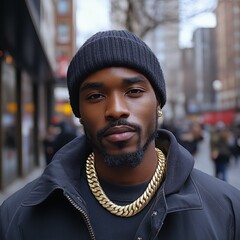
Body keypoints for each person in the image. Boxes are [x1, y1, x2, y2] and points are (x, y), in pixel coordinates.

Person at [0, 30, 240, 240]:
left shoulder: (227, 209)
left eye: (134, 91)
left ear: (158, 103)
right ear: (80, 112)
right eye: (95, 96)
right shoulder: (18, 216)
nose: (116, 109)